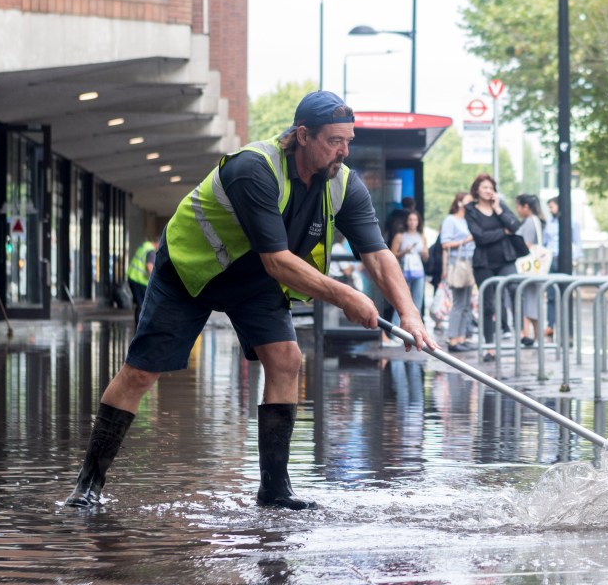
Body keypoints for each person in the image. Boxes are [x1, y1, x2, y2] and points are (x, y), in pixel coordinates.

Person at [63, 90, 435, 511]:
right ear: (303, 136)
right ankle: (87, 485)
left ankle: (275, 490)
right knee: (141, 374)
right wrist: (346, 295)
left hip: (256, 280)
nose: (344, 152)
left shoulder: (343, 183)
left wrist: (410, 314)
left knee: (286, 360)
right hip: (193, 270)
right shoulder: (253, 169)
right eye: (335, 141)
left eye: (348, 141)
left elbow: (378, 254)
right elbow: (278, 260)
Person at [465, 173, 521, 362]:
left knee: (514, 287)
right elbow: (479, 237)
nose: (488, 191)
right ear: (477, 190)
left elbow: (514, 226)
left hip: (506, 260)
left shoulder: (500, 206)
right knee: (488, 305)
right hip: (483, 263)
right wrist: (501, 232)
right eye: (485, 188)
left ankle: (519, 331)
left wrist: (498, 209)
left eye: (491, 187)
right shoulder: (470, 210)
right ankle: (490, 347)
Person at [440, 192, 476, 352]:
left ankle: (461, 338)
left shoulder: (468, 220)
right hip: (457, 263)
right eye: (468, 202)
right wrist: (465, 241)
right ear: (460, 203)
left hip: (469, 263)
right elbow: (445, 244)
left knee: (466, 303)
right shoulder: (451, 220)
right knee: (459, 303)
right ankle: (453, 339)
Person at [543, 196, 582, 338]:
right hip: (550, 260)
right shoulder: (549, 222)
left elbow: (577, 243)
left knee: (566, 293)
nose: (550, 209)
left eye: (552, 206)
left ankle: (565, 324)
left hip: (564, 260)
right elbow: (545, 242)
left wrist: (574, 258)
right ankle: (550, 325)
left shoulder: (572, 222)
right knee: (551, 295)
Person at [389, 210, 429, 335]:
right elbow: (391, 254)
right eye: (410, 220)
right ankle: (396, 332)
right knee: (402, 301)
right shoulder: (400, 236)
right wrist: (404, 252)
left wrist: (424, 252)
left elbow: (426, 257)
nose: (413, 223)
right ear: (406, 221)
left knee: (417, 302)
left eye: (415, 220)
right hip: (404, 270)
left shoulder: (421, 236)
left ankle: (417, 331)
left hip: (418, 271)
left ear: (418, 222)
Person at [515, 194, 546, 346]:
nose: (517, 210)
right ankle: (535, 336)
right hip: (536, 267)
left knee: (530, 302)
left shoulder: (529, 222)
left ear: (525, 207)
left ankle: (529, 335)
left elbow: (526, 244)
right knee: (533, 302)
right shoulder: (537, 220)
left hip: (530, 267)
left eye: (518, 206)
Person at [127, 236, 158, 328]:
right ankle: (140, 327)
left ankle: (139, 325)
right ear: (158, 244)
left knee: (140, 303)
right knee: (142, 304)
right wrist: (154, 279)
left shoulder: (145, 245)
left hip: (133, 277)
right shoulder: (151, 251)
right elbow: (149, 266)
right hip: (139, 279)